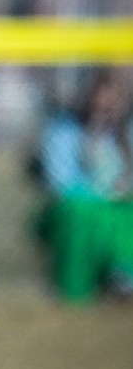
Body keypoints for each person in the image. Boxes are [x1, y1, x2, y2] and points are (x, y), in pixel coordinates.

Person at [33, 68, 133, 303]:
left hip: (117, 209)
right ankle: (81, 286)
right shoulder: (64, 131)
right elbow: (61, 186)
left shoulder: (127, 134)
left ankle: (121, 277)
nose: (107, 104)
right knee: (81, 212)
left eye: (114, 98)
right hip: (76, 208)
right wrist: (91, 145)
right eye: (101, 95)